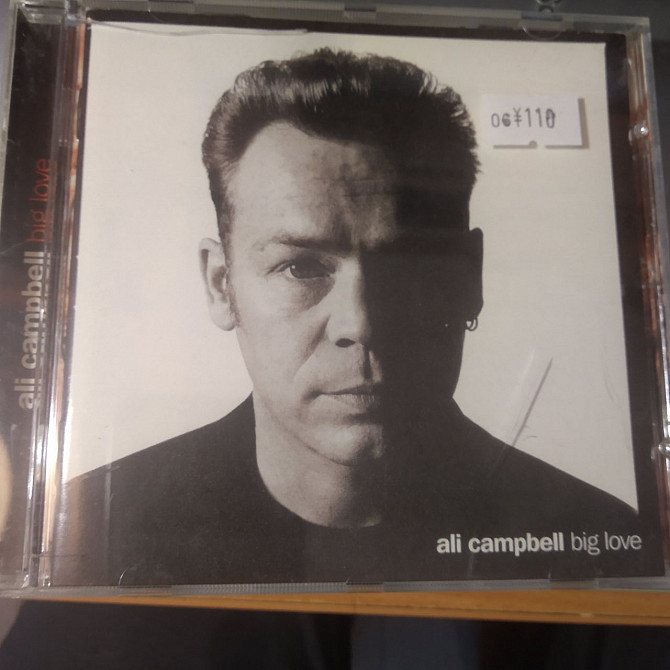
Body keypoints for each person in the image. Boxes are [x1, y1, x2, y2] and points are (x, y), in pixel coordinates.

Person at [53, 49, 659, 587]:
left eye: (407, 265)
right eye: (301, 268)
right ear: (221, 285)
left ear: (469, 277)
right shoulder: (91, 532)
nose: (361, 323)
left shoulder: (599, 541)